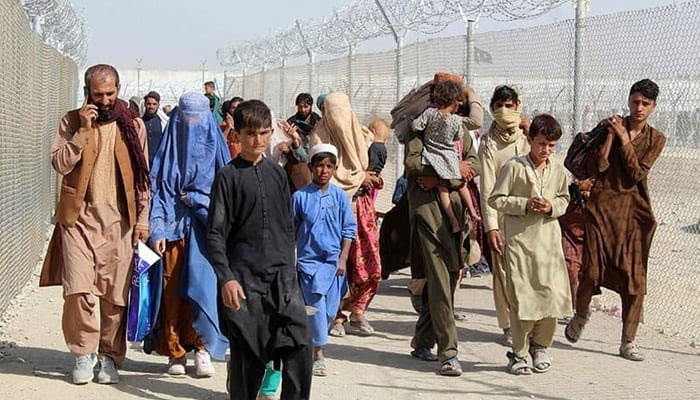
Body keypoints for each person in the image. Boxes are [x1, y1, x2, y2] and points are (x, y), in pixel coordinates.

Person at [39, 64, 150, 384]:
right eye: (98, 94)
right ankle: (83, 353)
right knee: (78, 290)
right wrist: (83, 132)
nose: (104, 101)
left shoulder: (133, 125)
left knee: (115, 297)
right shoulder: (71, 121)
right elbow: (60, 163)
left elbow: (143, 177)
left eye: (110, 94)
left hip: (119, 222)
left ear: (119, 90)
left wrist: (142, 221)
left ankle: (109, 357)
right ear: (87, 92)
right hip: (78, 220)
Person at [207, 100, 312, 400]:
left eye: (264, 133)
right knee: (247, 360)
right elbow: (215, 233)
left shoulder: (277, 174)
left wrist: (291, 272)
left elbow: (286, 226)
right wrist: (226, 278)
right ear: (237, 135)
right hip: (244, 282)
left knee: (299, 345)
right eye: (250, 134)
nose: (258, 141)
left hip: (281, 280)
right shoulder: (227, 177)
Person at [565, 79, 667, 362]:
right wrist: (610, 135)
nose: (639, 108)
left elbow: (636, 174)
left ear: (653, 107)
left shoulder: (656, 138)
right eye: (635, 101)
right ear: (628, 100)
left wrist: (624, 138)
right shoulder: (610, 127)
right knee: (592, 271)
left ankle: (628, 341)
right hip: (601, 209)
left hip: (634, 215)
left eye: (645, 104)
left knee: (635, 280)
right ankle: (581, 314)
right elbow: (598, 166)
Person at [404, 73, 483, 376]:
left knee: (449, 279)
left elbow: (472, 164)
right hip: (428, 214)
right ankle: (448, 353)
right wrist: (448, 173)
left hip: (456, 216)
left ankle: (422, 340)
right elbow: (412, 164)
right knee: (438, 279)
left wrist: (442, 176)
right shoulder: (420, 126)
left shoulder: (458, 128)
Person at [148, 92, 230, 376]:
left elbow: (226, 192)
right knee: (172, 292)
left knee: (203, 288)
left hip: (206, 230)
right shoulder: (168, 147)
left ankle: (203, 347)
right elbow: (158, 188)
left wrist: (198, 200)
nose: (193, 124)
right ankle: (175, 352)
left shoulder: (217, 150)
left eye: (198, 118)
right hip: (172, 228)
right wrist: (157, 227)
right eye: (187, 118)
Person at [488, 114, 572, 375]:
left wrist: (550, 207)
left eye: (551, 145)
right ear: (530, 140)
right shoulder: (514, 167)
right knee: (523, 299)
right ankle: (519, 353)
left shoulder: (557, 168)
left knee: (551, 296)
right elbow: (496, 199)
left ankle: (541, 347)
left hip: (548, 244)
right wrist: (524, 205)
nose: (545, 150)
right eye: (541, 144)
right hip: (521, 244)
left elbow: (564, 199)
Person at [309, 92, 383, 336]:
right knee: (338, 262)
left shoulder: (360, 135)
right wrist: (361, 177)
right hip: (332, 209)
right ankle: (336, 315)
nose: (340, 120)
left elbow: (362, 164)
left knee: (370, 262)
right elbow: (326, 175)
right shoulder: (319, 138)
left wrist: (363, 177)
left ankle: (359, 312)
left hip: (361, 208)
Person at [293, 144, 357, 377]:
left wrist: (343, 259)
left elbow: (349, 229)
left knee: (330, 310)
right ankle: (317, 353)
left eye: (329, 166)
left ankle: (313, 342)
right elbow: (291, 229)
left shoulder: (339, 197)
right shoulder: (299, 197)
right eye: (319, 165)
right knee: (317, 308)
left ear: (335, 169)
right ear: (311, 167)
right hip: (309, 264)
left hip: (334, 264)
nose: (324, 170)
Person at [478, 85, 531, 347]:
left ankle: (529, 321)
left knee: (527, 272)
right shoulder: (488, 143)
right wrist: (491, 227)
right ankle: (509, 325)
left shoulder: (527, 138)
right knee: (502, 273)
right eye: (499, 106)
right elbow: (487, 186)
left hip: (528, 216)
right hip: (500, 217)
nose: (504, 111)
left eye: (510, 106)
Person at [412, 79, 480, 233]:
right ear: (457, 102)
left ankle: (455, 221)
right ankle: (472, 211)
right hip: (450, 158)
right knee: (461, 186)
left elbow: (417, 125)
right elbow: (458, 136)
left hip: (433, 157)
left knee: (443, 190)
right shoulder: (456, 121)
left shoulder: (429, 114)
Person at [558, 178, 595, 311]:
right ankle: (575, 307)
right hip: (569, 235)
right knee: (571, 269)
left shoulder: (599, 194)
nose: (576, 181)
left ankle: (581, 305)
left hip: (590, 238)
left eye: (581, 179)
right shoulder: (571, 194)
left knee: (587, 273)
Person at [285, 93, 322, 164]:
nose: (303, 110)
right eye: (300, 107)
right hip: (297, 159)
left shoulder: (318, 121)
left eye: (306, 106)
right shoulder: (291, 123)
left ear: (310, 106)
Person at [367, 118, 389, 205]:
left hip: (371, 175)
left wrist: (366, 171)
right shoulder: (383, 148)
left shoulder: (374, 147)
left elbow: (373, 161)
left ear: (373, 131)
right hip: (377, 174)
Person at [142, 91, 164, 164]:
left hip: (158, 161)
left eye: (154, 104)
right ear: (145, 104)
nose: (151, 107)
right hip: (143, 160)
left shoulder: (162, 122)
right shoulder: (140, 122)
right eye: (149, 104)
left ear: (158, 105)